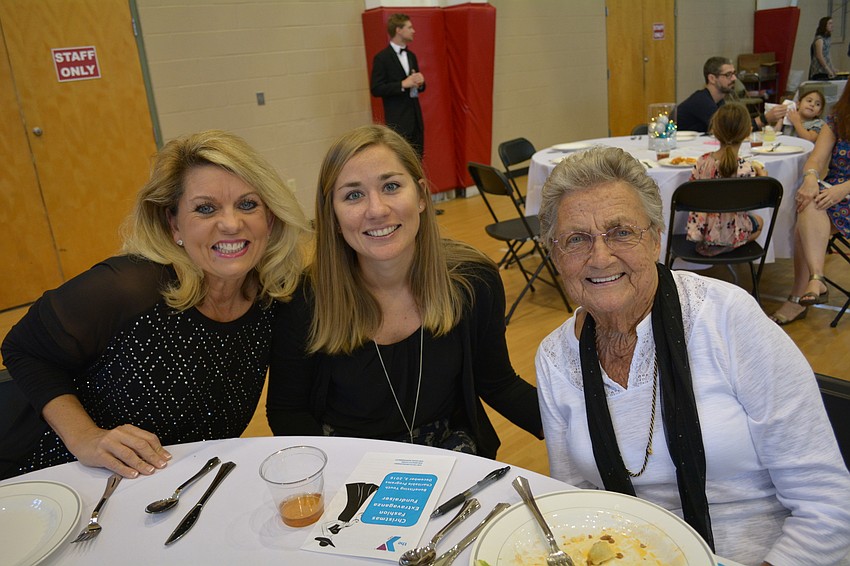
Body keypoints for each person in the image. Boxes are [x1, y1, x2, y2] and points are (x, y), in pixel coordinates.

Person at [534, 146, 850, 564]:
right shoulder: (555, 358)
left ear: (656, 237)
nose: (600, 256)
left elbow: (829, 501)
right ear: (555, 256)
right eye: (576, 239)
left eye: (621, 232)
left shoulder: (726, 318)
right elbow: (576, 504)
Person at [0, 130, 310, 480]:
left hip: (170, 487)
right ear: (173, 223)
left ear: (269, 217)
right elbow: (23, 348)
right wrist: (85, 437)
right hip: (60, 477)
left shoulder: (275, 299)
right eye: (205, 208)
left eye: (248, 204)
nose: (231, 223)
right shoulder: (125, 288)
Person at [266, 125, 542, 458]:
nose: (377, 209)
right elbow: (288, 411)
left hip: (449, 455)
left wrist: (582, 430)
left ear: (422, 196)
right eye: (353, 195)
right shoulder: (304, 300)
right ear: (333, 215)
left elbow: (497, 382)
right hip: (348, 464)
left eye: (392, 186)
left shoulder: (473, 282)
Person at [769, 84, 850, 325]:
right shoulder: (839, 119)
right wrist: (812, 178)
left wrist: (844, 189)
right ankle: (816, 278)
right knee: (808, 199)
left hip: (842, 192)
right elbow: (815, 158)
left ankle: (798, 296)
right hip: (831, 195)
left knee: (802, 224)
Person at [686, 103, 765, 257]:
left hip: (702, 230)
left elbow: (691, 192)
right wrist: (761, 173)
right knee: (760, 222)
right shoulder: (745, 167)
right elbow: (754, 198)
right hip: (731, 230)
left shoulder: (702, 161)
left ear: (714, 131)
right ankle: (728, 245)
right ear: (748, 131)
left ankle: (712, 242)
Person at [678, 56, 785, 133]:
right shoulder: (701, 101)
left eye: (734, 73)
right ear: (712, 78)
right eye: (728, 75)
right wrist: (765, 118)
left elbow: (733, 126)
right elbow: (730, 131)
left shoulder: (719, 101)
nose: (734, 78)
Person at [370, 13, 426, 158]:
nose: (413, 31)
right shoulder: (382, 58)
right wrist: (402, 84)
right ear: (398, 30)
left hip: (415, 117)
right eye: (409, 27)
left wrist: (420, 82)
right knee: (401, 159)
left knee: (417, 158)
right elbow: (376, 88)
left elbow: (417, 86)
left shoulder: (411, 55)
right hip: (398, 119)